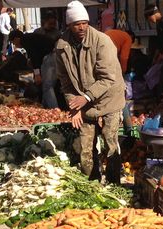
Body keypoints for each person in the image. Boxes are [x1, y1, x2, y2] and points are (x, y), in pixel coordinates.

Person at [56, 0, 125, 184]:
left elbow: (108, 78)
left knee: (110, 143)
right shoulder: (62, 46)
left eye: (84, 23)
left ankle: (113, 184)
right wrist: (74, 105)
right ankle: (92, 184)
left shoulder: (102, 41)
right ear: (69, 25)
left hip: (109, 98)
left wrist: (85, 97)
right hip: (84, 102)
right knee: (86, 147)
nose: (81, 28)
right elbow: (65, 81)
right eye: (76, 24)